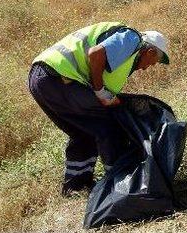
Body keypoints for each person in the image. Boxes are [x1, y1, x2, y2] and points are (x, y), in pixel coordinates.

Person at [28, 22, 170, 195]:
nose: (147, 68)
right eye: (152, 63)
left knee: (84, 131)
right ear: (150, 51)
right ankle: (120, 181)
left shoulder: (126, 57)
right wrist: (100, 91)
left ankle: (76, 186)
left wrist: (104, 93)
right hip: (59, 78)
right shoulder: (133, 39)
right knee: (110, 126)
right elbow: (96, 54)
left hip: (41, 80)